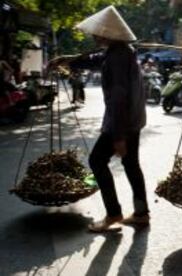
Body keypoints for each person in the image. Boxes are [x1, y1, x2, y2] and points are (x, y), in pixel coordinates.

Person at [48, 5, 148, 232]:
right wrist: (68, 60)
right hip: (133, 120)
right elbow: (94, 59)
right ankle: (141, 213)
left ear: (108, 33)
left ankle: (113, 214)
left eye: (97, 31)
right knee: (131, 164)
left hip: (123, 122)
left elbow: (119, 98)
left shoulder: (117, 57)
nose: (93, 36)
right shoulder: (121, 51)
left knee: (96, 161)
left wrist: (118, 136)